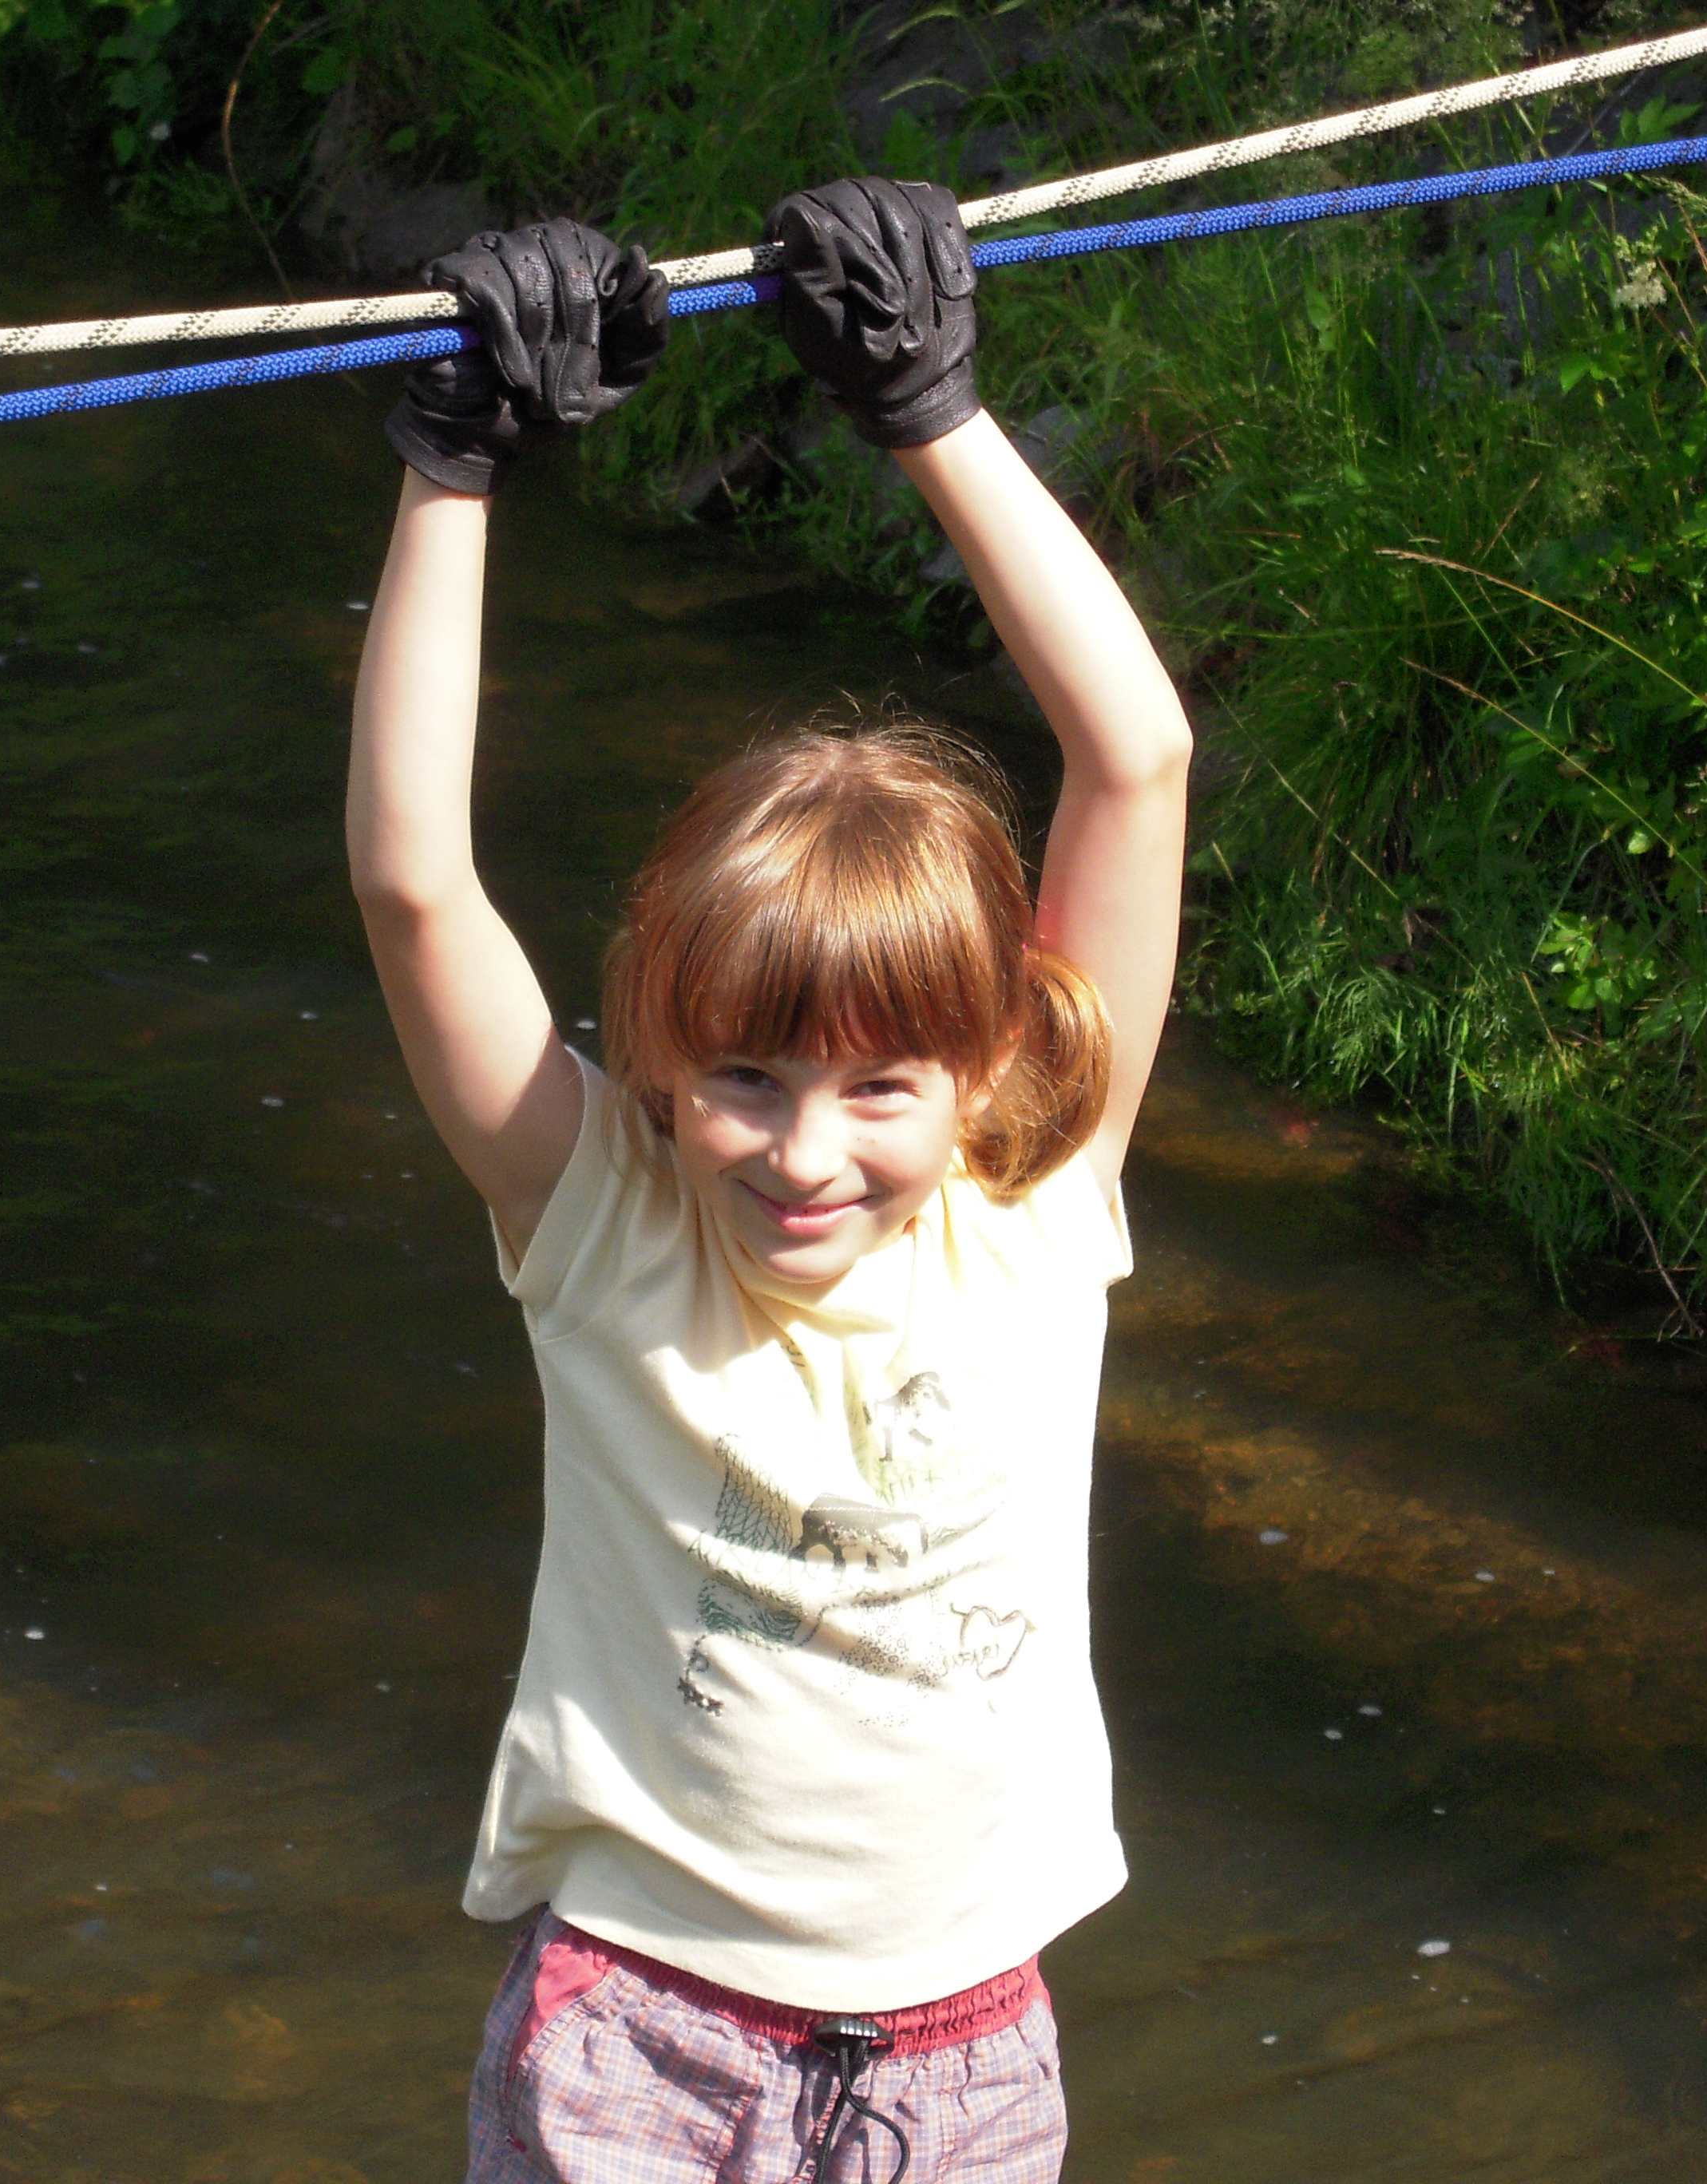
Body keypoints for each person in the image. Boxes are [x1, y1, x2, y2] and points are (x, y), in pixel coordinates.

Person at [347, 179, 1192, 2184]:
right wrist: (454, 466)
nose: (807, 1153)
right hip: (641, 2040)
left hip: (972, 2064)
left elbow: (1139, 762)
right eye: (743, 1079)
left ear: (989, 1065)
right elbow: (413, 883)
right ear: (656, 1057)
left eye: (880, 1086)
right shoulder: (604, 1218)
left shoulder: (1032, 1196)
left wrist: (934, 414)